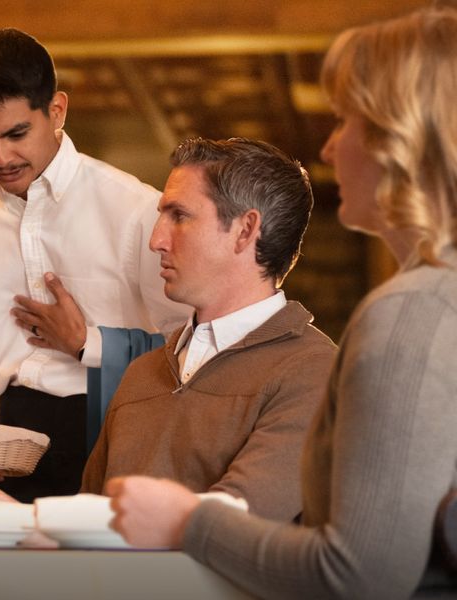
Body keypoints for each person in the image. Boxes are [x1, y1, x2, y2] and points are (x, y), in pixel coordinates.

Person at [106, 7, 457, 598]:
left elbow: (359, 576)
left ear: (398, 138)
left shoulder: (411, 312)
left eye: (346, 120)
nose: (330, 144)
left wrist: (187, 522)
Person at [0, 28, 189, 501]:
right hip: (10, 437)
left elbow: (187, 346)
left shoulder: (134, 208)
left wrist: (87, 344)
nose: (0, 157)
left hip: (118, 427)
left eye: (16, 134)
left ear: (57, 111)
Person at [73, 138, 336, 521]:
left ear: (245, 230)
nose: (156, 240)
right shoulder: (141, 375)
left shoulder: (314, 373)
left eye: (179, 216)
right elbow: (87, 524)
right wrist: (22, 521)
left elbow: (235, 525)